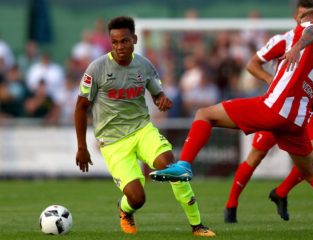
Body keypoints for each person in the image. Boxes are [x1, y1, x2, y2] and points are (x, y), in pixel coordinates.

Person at [150, 9, 313, 236]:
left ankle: (184, 165)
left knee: (204, 114)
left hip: (274, 107)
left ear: (312, 21)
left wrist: (296, 48)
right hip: (297, 119)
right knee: (311, 171)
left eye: (302, 20)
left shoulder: (306, 30)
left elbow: (311, 31)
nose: (298, 23)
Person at [74, 16, 215, 237]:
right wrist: (81, 147)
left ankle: (197, 225)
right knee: (137, 198)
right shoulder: (97, 68)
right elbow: (81, 107)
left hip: (142, 130)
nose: (119, 46)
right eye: (115, 42)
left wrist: (161, 99)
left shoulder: (144, 65)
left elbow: (157, 93)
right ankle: (124, 210)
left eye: (124, 41)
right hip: (113, 141)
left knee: (171, 167)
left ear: (134, 39)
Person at [224, 0, 313, 224]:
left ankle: (281, 192)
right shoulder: (286, 40)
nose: (305, 20)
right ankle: (231, 205)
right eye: (301, 16)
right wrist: (271, 80)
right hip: (279, 109)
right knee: (256, 155)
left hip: (303, 111)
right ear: (295, 19)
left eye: (309, 16)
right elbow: (252, 64)